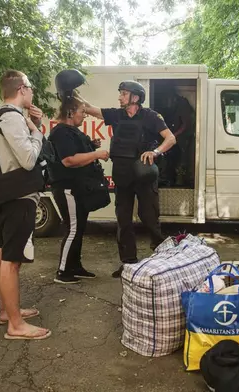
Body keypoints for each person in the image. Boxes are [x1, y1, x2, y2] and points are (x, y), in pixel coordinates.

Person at [76, 81, 176, 277]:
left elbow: (170, 138)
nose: (120, 97)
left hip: (144, 174)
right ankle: (128, 263)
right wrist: (72, 92)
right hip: (122, 174)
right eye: (120, 93)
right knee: (123, 220)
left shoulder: (150, 116)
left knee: (150, 218)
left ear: (135, 98)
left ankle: (162, 262)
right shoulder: (117, 114)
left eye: (123, 94)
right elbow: (89, 109)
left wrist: (155, 152)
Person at [0, 70, 50, 340]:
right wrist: (36, 131)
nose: (33, 92)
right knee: (11, 262)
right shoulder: (13, 118)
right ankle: (15, 325)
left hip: (6, 196)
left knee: (3, 255)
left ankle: (7, 311)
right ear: (22, 89)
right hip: (18, 197)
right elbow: (27, 159)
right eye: (31, 87)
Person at [48, 96, 110, 284]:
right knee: (73, 229)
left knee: (80, 227)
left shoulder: (72, 132)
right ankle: (63, 271)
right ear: (69, 112)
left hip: (78, 188)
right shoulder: (60, 133)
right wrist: (97, 154)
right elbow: (69, 160)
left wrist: (92, 145)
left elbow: (78, 151)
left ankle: (75, 266)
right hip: (67, 188)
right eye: (82, 112)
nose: (84, 116)